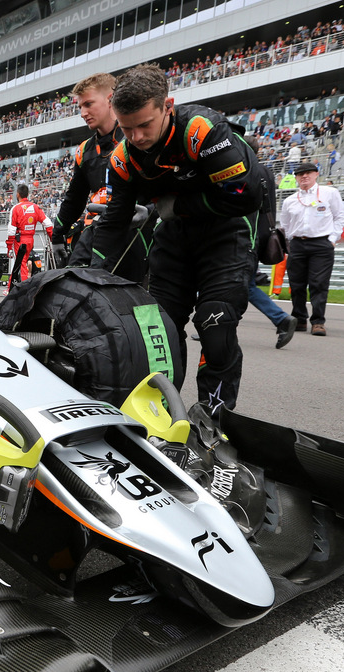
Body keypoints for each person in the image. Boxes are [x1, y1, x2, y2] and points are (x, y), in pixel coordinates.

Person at [91, 63, 269, 412]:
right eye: (127, 129)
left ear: (167, 106)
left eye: (145, 125)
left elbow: (246, 197)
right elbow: (115, 221)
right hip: (173, 238)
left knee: (215, 323)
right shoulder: (123, 157)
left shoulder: (202, 131)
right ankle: (161, 417)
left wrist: (177, 205)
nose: (138, 137)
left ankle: (214, 419)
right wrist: (91, 273)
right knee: (158, 332)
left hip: (227, 232)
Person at [50, 73, 142, 277]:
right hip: (92, 234)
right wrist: (57, 235)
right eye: (80, 107)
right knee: (74, 285)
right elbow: (74, 199)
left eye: (89, 104)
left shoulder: (137, 139)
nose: (83, 113)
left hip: (131, 233)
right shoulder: (84, 150)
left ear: (110, 100)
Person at [280, 161, 344, 335]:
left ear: (316, 174)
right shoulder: (289, 200)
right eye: (301, 174)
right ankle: (300, 319)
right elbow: (285, 225)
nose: (304, 176)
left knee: (319, 283)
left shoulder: (330, 193)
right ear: (296, 178)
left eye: (308, 173)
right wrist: (289, 243)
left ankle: (318, 321)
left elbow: (339, 217)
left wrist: (332, 238)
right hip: (297, 244)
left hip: (321, 244)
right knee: (297, 284)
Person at [5, 184, 51, 285]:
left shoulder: (16, 208)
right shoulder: (35, 207)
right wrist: (53, 238)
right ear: (28, 194)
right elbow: (48, 223)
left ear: (18, 194)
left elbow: (11, 230)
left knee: (21, 265)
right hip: (30, 239)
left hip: (19, 240)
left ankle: (24, 290)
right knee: (21, 263)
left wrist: (9, 247)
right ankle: (10, 287)